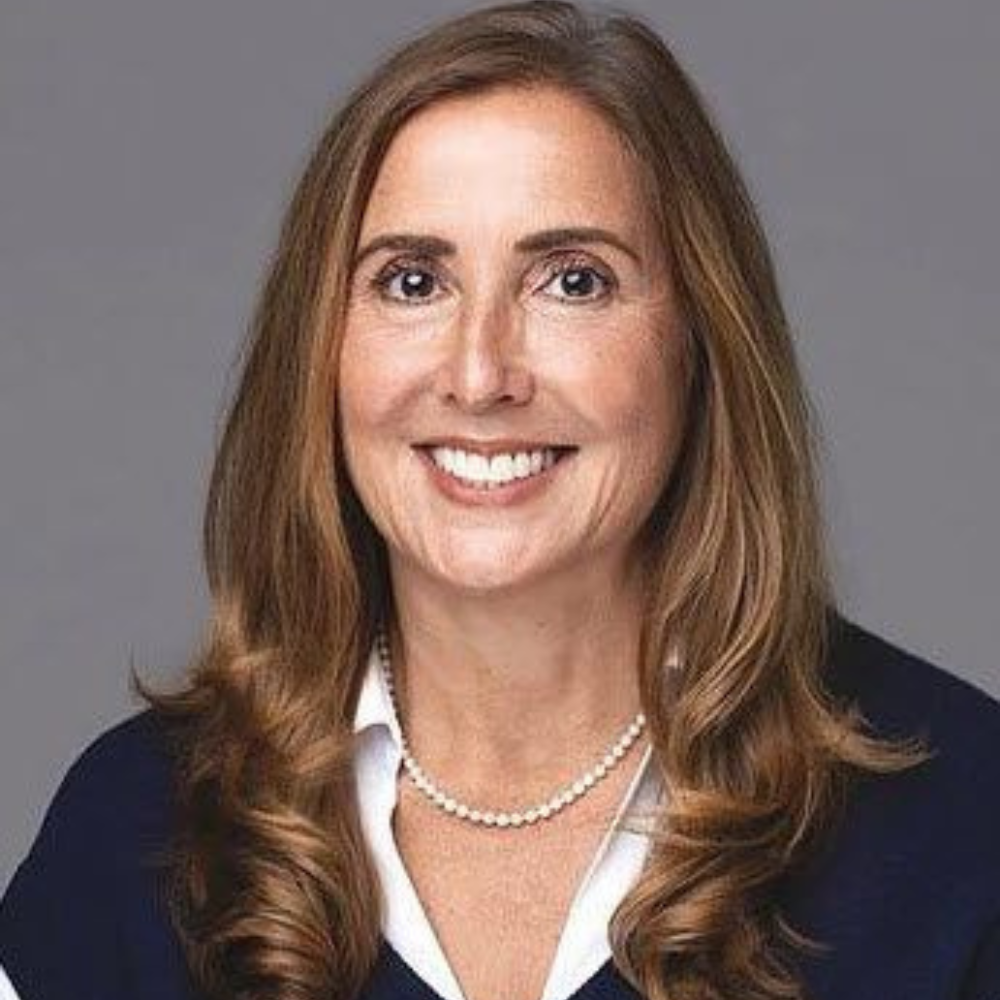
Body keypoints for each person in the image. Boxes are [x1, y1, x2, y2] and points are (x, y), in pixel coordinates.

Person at [2, 2, 999, 998]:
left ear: (699, 349)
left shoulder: (961, 827)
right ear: (323, 349)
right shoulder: (135, 834)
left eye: (571, 281)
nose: (479, 374)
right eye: (410, 281)